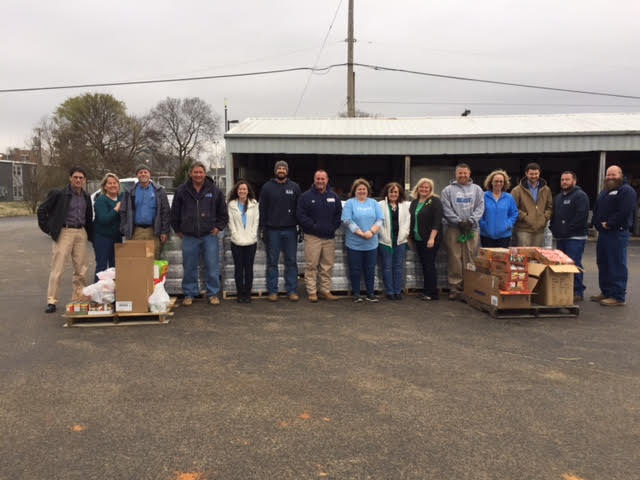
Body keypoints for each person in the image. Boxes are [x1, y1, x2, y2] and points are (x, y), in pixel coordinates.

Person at [170, 162, 229, 306]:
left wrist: (218, 227)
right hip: (189, 236)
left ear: (205, 174)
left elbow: (223, 213)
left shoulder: (214, 190)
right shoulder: (182, 191)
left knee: (212, 266)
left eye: (200, 172)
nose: (198, 175)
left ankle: (213, 294)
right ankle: (189, 294)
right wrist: (178, 229)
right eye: (195, 172)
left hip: (209, 235)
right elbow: (174, 213)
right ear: (191, 174)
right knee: (189, 267)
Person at [37, 167, 94, 313]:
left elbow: (88, 217)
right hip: (65, 232)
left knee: (81, 269)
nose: (78, 180)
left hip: (81, 232)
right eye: (75, 177)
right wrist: (50, 229)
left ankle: (79, 297)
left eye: (81, 178)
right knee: (58, 268)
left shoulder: (86, 196)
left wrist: (90, 235)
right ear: (70, 178)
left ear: (84, 180)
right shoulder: (59, 194)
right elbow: (42, 210)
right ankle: (52, 301)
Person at [591, 165, 637, 306]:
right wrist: (596, 224)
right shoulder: (605, 191)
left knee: (616, 264)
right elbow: (597, 209)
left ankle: (617, 296)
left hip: (617, 233)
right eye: (608, 175)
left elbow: (624, 211)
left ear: (620, 175)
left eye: (613, 174)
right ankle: (606, 291)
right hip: (604, 234)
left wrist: (610, 223)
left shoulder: (626, 191)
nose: (610, 177)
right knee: (603, 263)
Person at [296, 170, 343, 302]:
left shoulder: (334, 196)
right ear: (314, 180)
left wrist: (332, 227)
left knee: (327, 265)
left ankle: (324, 290)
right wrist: (313, 226)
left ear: (327, 180)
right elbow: (300, 215)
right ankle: (312, 292)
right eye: (318, 179)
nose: (320, 181)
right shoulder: (305, 196)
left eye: (323, 179)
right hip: (312, 236)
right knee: (311, 265)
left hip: (329, 237)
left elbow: (338, 214)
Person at [440, 163, 484, 300]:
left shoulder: (477, 189)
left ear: (469, 174)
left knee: (470, 256)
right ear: (456, 174)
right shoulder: (447, 190)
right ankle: (455, 286)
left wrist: (471, 221)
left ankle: (469, 286)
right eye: (460, 173)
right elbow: (446, 209)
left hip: (472, 228)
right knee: (455, 257)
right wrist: (458, 221)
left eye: (465, 173)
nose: (463, 175)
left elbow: (480, 207)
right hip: (454, 228)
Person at [259, 160, 301, 302]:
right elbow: (262, 209)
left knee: (291, 261)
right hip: (273, 231)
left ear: (287, 171)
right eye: (279, 168)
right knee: (272, 262)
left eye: (284, 168)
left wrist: (300, 228)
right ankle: (273, 291)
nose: (281, 170)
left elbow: (299, 209)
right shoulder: (267, 187)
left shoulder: (294, 187)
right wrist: (263, 228)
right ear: (275, 171)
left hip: (290, 230)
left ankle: (292, 291)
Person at [550, 171, 590, 302]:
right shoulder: (558, 197)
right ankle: (565, 290)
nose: (564, 182)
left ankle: (577, 291)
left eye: (567, 179)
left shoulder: (580, 196)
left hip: (575, 238)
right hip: (561, 238)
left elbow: (581, 217)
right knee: (562, 265)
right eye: (562, 180)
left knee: (574, 263)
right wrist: (554, 229)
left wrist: (567, 229)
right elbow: (554, 216)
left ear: (574, 181)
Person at [342, 178, 384, 303]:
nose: (361, 191)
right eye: (359, 189)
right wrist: (361, 233)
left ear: (368, 190)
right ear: (354, 191)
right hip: (354, 244)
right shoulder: (350, 203)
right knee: (355, 269)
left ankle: (370, 293)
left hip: (371, 243)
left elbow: (380, 220)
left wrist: (371, 232)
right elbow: (347, 220)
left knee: (370, 269)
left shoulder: (374, 203)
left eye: (364, 189)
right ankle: (356, 294)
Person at [120, 165, 170, 259]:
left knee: (152, 260)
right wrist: (125, 229)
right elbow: (123, 211)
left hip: (154, 232)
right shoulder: (130, 192)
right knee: (137, 260)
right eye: (140, 172)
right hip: (136, 232)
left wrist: (164, 231)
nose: (143, 174)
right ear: (137, 175)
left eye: (145, 172)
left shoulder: (159, 191)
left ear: (149, 174)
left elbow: (165, 212)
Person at [409, 178, 443, 301]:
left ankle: (432, 293)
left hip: (430, 239)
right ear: (417, 188)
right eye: (421, 187)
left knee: (429, 265)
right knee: (424, 265)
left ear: (430, 189)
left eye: (426, 187)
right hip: (419, 239)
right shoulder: (414, 202)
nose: (424, 189)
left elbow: (437, 221)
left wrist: (432, 238)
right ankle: (426, 290)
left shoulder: (435, 201)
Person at [227, 180, 259, 303]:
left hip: (251, 242)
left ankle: (248, 294)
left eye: (244, 189)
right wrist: (235, 235)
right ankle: (240, 294)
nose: (242, 191)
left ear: (248, 191)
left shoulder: (254, 204)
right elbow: (230, 222)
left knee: (249, 269)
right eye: (240, 189)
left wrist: (252, 235)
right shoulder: (231, 205)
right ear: (237, 191)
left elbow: (256, 221)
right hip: (236, 242)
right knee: (239, 269)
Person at [378, 182, 410, 300]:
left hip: (400, 240)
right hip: (385, 240)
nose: (393, 194)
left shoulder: (404, 205)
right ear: (387, 193)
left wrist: (404, 234)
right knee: (387, 266)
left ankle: (398, 291)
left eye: (396, 192)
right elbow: (378, 222)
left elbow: (407, 221)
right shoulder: (380, 205)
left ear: (399, 193)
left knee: (398, 267)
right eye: (391, 192)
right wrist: (384, 236)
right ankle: (390, 291)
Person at [511, 162, 553, 247]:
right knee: (523, 254)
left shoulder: (546, 190)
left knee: (536, 254)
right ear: (526, 174)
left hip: (540, 230)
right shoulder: (517, 190)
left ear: (539, 173)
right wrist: (525, 217)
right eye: (531, 174)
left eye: (536, 174)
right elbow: (513, 208)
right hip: (523, 230)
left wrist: (544, 217)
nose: (534, 176)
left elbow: (550, 207)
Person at [92, 173, 123, 282]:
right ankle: (98, 290)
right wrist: (116, 209)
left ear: (118, 185)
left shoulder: (122, 197)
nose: (113, 185)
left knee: (115, 266)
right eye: (109, 183)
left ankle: (112, 290)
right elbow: (104, 219)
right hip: (102, 237)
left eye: (115, 183)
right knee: (102, 266)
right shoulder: (101, 200)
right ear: (105, 186)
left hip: (117, 237)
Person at [479, 169, 519, 248]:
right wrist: (483, 225)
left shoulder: (509, 198)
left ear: (504, 183)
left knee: (502, 256)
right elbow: (479, 212)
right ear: (491, 182)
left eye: (501, 181)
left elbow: (514, 213)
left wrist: (508, 224)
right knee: (488, 256)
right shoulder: (483, 196)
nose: (498, 183)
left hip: (504, 236)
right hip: (486, 235)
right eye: (496, 181)